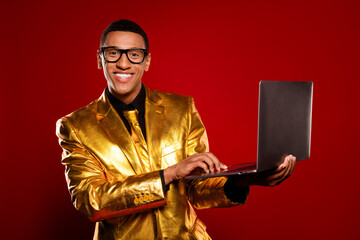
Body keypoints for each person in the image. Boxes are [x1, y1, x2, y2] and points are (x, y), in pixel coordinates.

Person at [56, 19, 296, 240]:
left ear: (147, 61)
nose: (123, 62)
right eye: (113, 53)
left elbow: (197, 189)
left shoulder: (182, 108)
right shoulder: (75, 126)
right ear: (100, 59)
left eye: (134, 54)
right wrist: (169, 174)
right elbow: (90, 201)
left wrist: (246, 180)